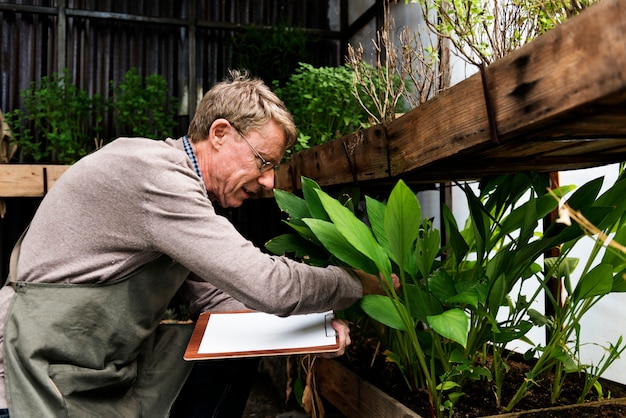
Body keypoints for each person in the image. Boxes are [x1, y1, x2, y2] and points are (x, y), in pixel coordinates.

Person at [0, 70, 387, 418]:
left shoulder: (178, 192)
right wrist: (357, 282)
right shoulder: (156, 175)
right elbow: (269, 284)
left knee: (228, 355)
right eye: (263, 161)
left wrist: (307, 327)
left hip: (91, 359)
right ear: (219, 134)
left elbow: (218, 299)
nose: (269, 181)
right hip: (33, 369)